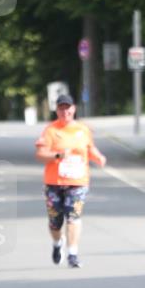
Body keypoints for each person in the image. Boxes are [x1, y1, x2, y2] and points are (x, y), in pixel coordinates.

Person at [35, 93, 107, 269]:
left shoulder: (83, 130)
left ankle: (73, 253)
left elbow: (90, 149)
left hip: (78, 181)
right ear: (57, 110)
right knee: (55, 222)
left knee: (73, 216)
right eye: (61, 108)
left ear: (74, 109)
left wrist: (98, 157)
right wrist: (58, 155)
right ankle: (57, 243)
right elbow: (40, 155)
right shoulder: (50, 130)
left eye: (68, 107)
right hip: (54, 182)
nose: (65, 111)